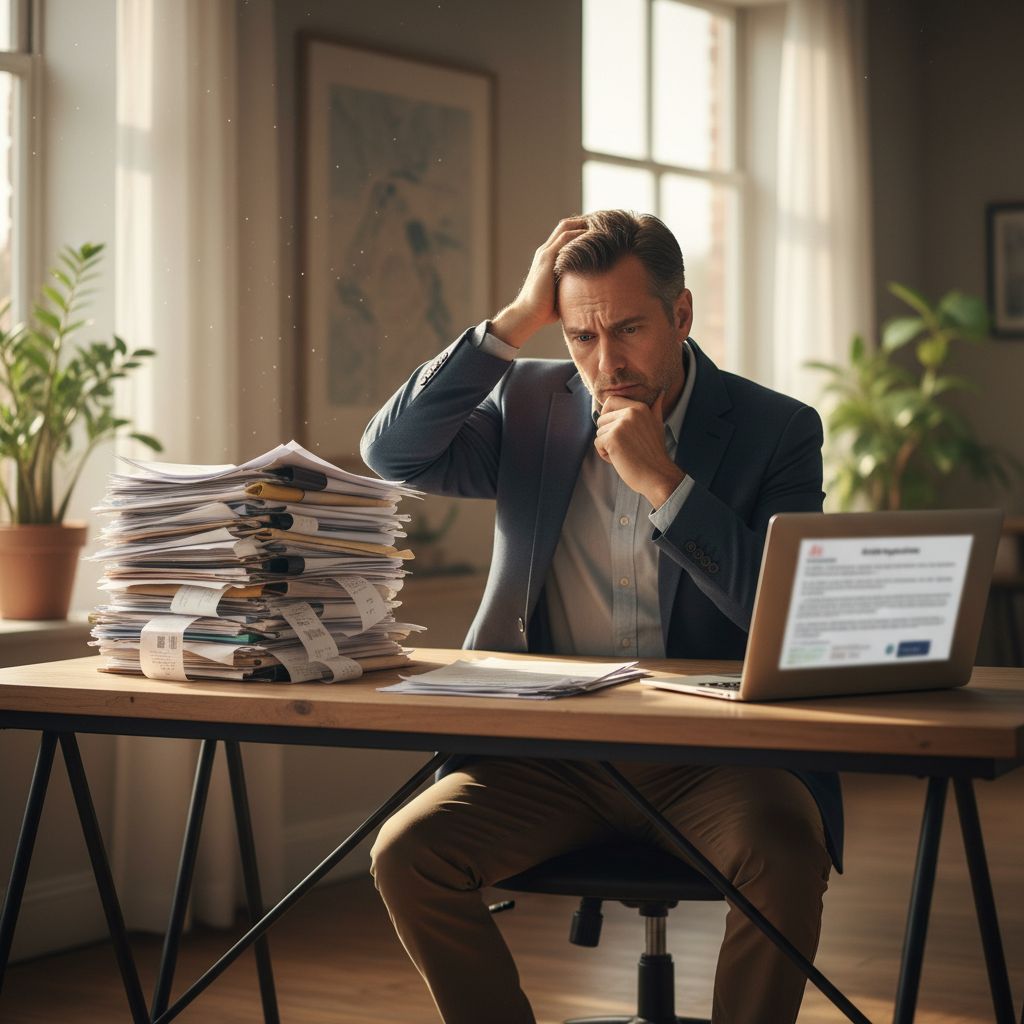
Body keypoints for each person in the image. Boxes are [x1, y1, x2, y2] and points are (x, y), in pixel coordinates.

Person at [360, 210, 841, 1024]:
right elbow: (392, 454)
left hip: (715, 757)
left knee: (788, 854)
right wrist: (517, 318)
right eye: (583, 337)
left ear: (681, 316)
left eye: (629, 329)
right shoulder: (532, 404)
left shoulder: (776, 430)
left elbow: (785, 613)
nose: (606, 363)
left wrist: (666, 486)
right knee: (408, 854)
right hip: (549, 756)